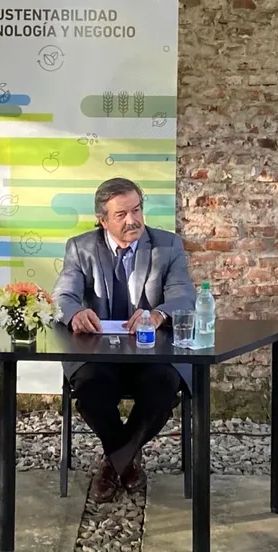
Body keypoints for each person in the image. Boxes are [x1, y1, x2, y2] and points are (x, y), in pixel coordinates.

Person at [53, 177, 196, 503]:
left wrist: (157, 314)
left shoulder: (168, 246)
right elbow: (63, 296)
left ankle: (113, 463)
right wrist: (75, 313)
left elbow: (184, 297)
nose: (132, 220)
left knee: (161, 391)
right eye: (121, 214)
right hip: (100, 353)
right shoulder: (81, 247)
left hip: (152, 353)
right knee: (89, 392)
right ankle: (127, 460)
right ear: (103, 219)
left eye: (137, 210)